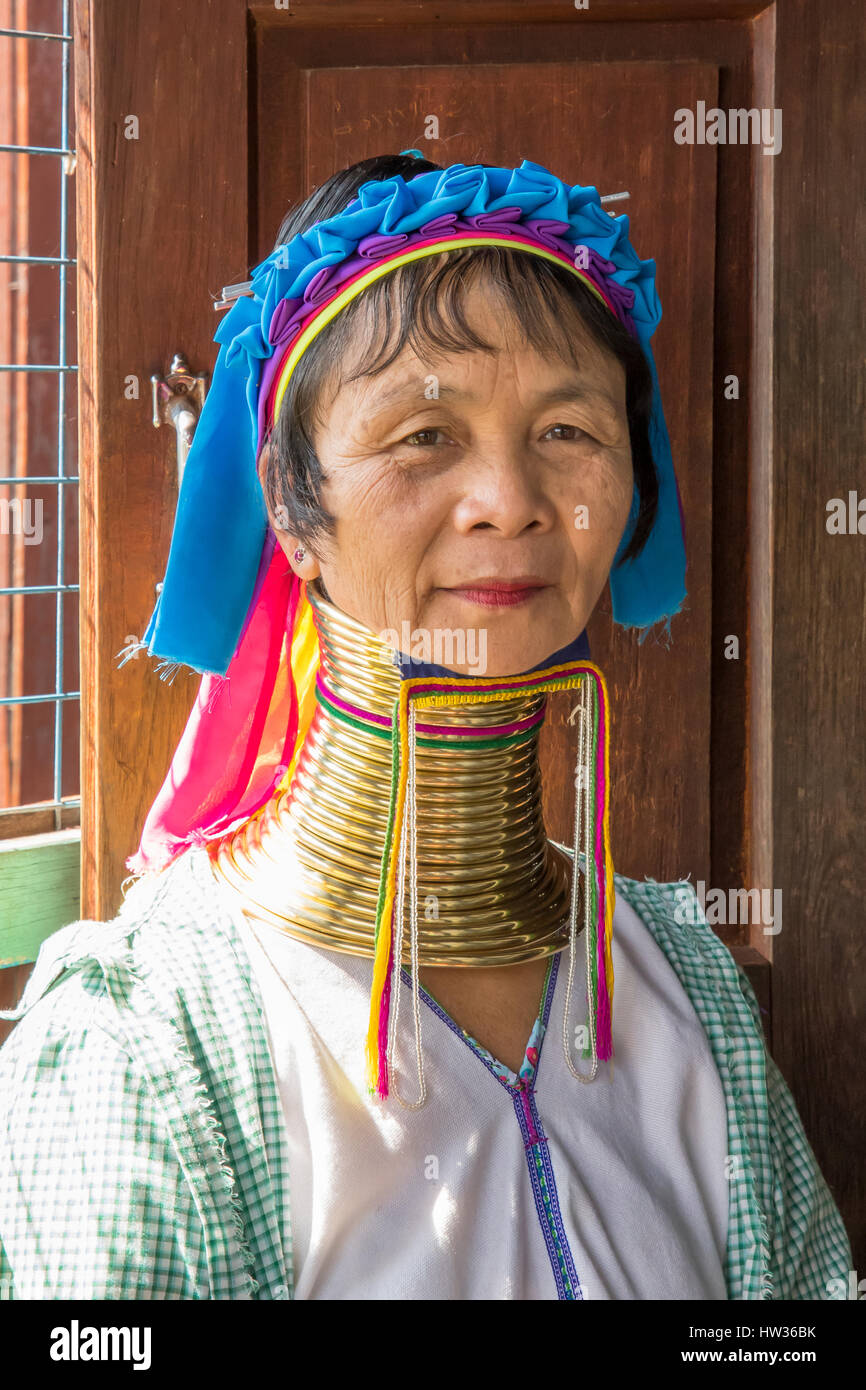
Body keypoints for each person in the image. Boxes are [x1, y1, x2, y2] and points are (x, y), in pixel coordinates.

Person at [0, 152, 852, 1301]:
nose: (509, 496)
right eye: (421, 434)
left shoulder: (679, 978)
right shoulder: (150, 1044)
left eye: (566, 431)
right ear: (291, 512)